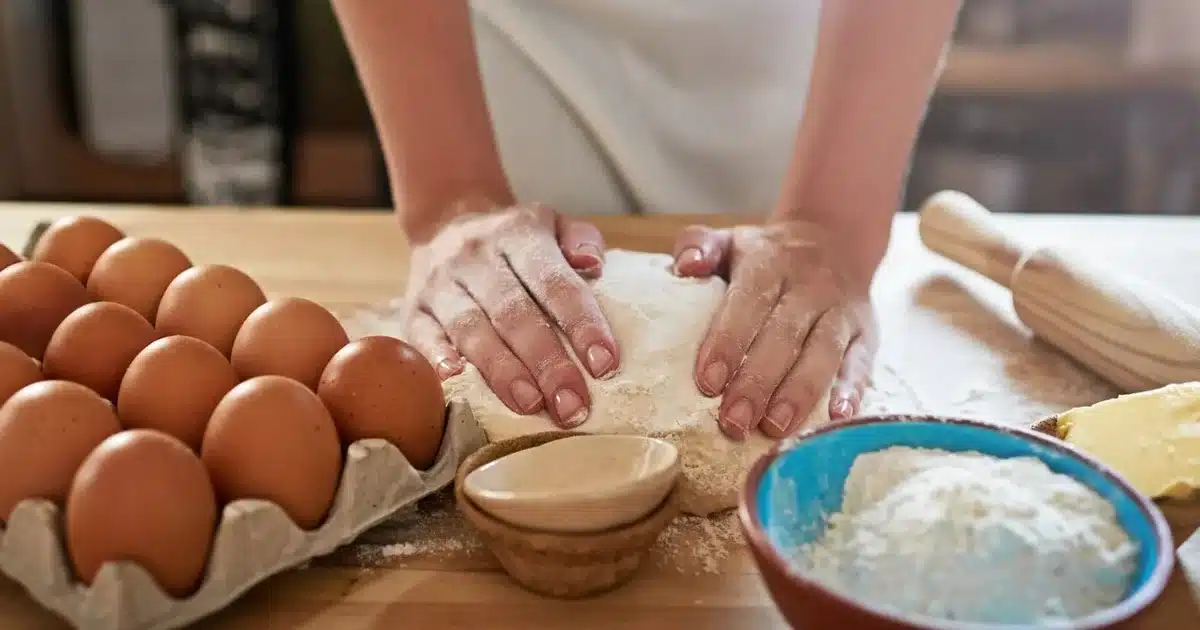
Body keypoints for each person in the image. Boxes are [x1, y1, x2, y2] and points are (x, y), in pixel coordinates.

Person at [331, 0, 962, 441]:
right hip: (503, 54)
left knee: (780, 362)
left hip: (800, 54)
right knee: (512, 364)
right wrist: (452, 199)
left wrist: (831, 224)